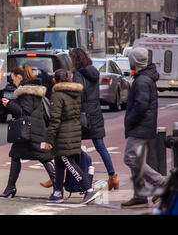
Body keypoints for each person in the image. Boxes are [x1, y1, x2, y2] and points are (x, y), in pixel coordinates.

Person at [0, 64, 56, 198]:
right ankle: (10, 187)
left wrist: (9, 104)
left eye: (13, 79)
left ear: (19, 77)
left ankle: (57, 186)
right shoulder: (33, 90)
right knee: (16, 155)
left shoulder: (26, 92)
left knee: (43, 157)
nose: (13, 82)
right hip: (31, 131)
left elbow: (24, 112)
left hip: (31, 132)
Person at [44, 69, 100, 204]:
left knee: (69, 163)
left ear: (54, 80)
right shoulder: (75, 93)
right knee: (59, 162)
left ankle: (88, 189)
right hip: (74, 131)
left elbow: (55, 119)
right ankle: (57, 192)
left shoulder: (57, 95)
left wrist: (49, 139)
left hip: (64, 134)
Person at [121, 47, 166, 209]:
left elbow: (141, 105)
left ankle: (161, 182)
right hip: (143, 126)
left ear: (134, 61)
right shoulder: (145, 78)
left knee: (130, 158)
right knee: (136, 160)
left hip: (140, 126)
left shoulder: (141, 80)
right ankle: (139, 195)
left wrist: (130, 121)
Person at [69, 48, 119, 190]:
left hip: (83, 115)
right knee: (101, 147)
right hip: (95, 113)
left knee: (69, 146)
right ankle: (112, 177)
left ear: (75, 60)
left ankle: (65, 177)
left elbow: (78, 95)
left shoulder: (78, 74)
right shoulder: (94, 72)